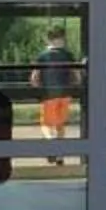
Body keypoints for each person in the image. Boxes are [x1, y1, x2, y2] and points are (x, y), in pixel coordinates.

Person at [33, 23, 79, 166]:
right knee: (60, 124)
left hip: (48, 94)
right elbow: (76, 75)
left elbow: (35, 77)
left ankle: (51, 143)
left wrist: (38, 88)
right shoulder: (68, 55)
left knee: (46, 124)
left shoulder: (42, 56)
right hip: (65, 94)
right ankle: (59, 155)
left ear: (47, 39)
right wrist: (75, 85)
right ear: (63, 39)